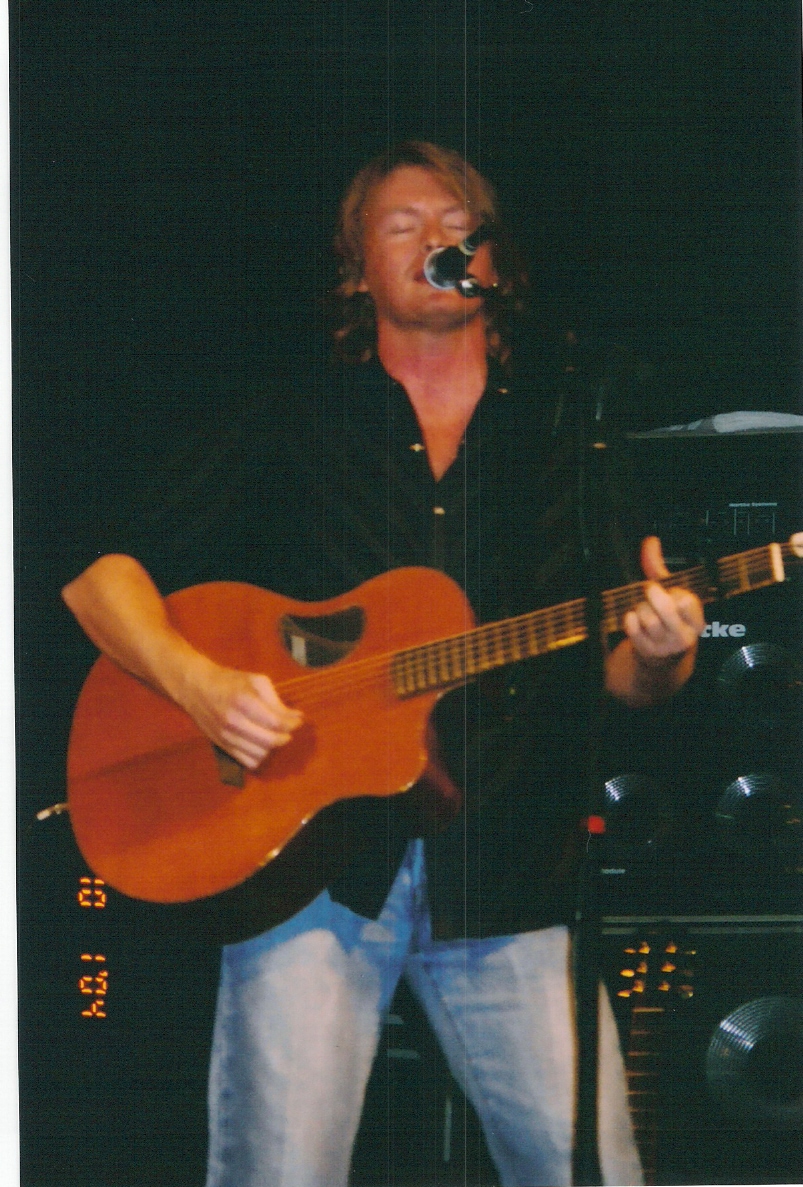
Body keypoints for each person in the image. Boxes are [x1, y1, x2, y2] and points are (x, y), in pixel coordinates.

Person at [62, 141, 705, 1187]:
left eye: (456, 222)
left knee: (589, 1170)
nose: (435, 239)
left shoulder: (566, 428)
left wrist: (662, 654)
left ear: (493, 261)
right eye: (402, 225)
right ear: (357, 269)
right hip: (310, 871)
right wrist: (201, 686)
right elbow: (100, 578)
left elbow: (624, 676)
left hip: (507, 864)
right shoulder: (294, 410)